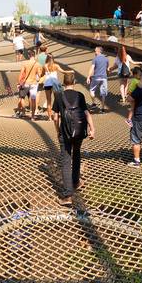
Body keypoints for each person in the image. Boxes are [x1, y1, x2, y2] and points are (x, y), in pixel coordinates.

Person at [51, 71, 93, 204]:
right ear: (74, 82)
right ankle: (76, 182)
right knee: (77, 154)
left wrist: (58, 130)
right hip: (79, 131)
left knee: (65, 160)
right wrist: (92, 128)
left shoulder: (59, 95)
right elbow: (86, 113)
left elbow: (55, 116)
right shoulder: (80, 95)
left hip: (65, 132)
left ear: (64, 83)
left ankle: (68, 195)